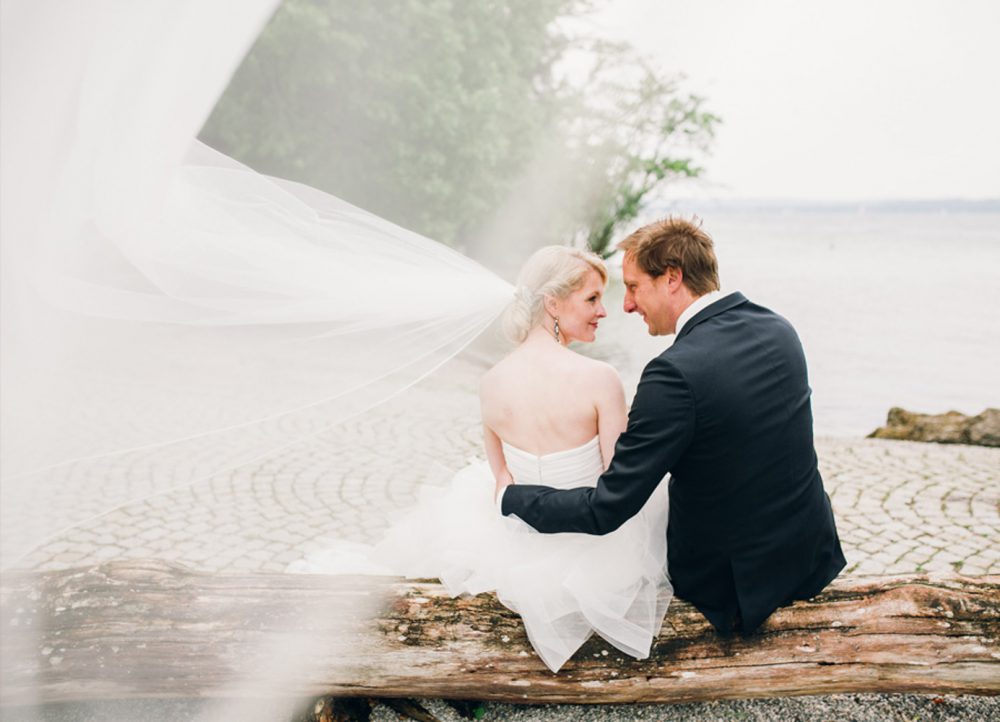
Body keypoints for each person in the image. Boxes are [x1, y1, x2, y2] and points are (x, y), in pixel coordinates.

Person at [293, 246, 672, 672]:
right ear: (552, 303)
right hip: (593, 544)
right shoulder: (600, 378)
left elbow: (501, 480)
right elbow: (618, 479)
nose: (603, 311)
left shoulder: (492, 381)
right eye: (592, 298)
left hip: (518, 538)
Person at [498, 218, 846, 635]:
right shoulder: (778, 329)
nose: (627, 305)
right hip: (810, 552)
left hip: (732, 583)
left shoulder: (673, 374)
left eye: (633, 287)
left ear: (672, 278)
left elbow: (606, 509)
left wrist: (513, 497)